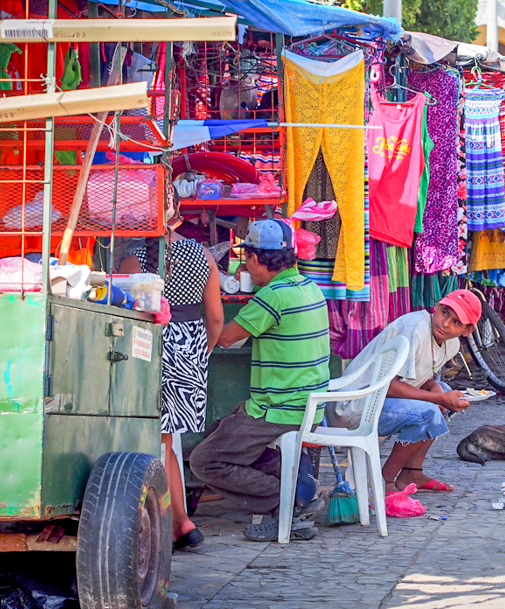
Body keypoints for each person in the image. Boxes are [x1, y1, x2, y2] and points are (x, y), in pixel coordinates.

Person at [190, 219, 331, 542]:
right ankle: (297, 487)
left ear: (254, 259)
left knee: (204, 460)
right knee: (217, 432)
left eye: (246, 260)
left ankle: (286, 500)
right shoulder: (308, 287)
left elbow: (224, 338)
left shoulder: (273, 297)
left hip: (279, 409)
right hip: (304, 403)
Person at [119, 231, 223, 552]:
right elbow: (216, 317)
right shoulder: (202, 255)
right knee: (165, 440)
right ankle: (181, 521)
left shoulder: (135, 255)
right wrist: (199, 354)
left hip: (153, 344)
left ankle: (169, 522)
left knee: (157, 439)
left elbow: (121, 309)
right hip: (191, 345)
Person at [325, 290, 481, 492]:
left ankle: (411, 472)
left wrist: (433, 387)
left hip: (378, 400)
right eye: (444, 313)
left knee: (443, 391)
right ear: (436, 307)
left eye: (456, 323)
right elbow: (389, 384)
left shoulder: (451, 344)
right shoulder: (415, 329)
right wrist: (437, 397)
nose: (445, 323)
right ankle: (386, 480)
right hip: (353, 406)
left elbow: (414, 376)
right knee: (430, 411)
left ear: (467, 330)